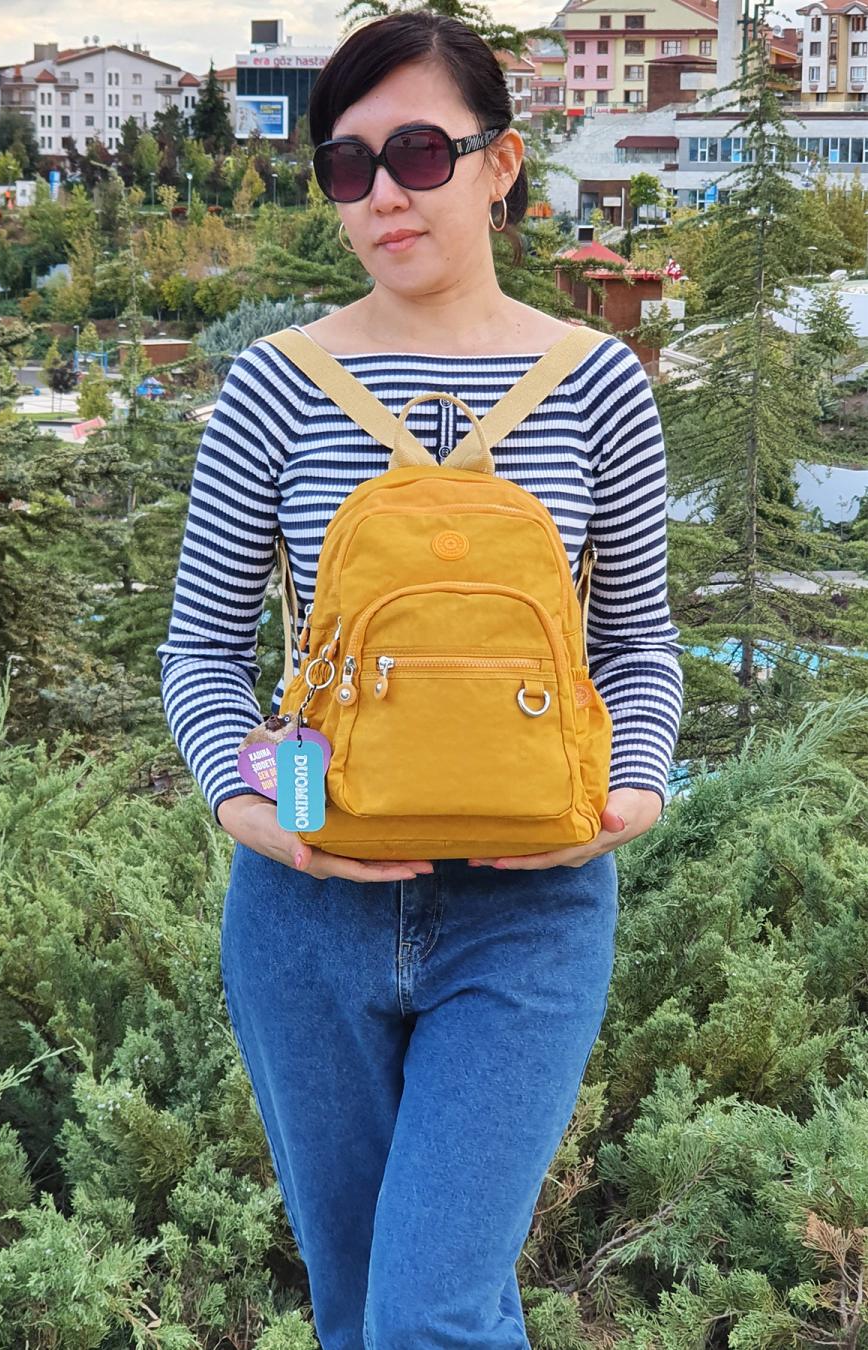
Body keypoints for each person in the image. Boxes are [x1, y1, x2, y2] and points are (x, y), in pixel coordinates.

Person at [156, 11, 684, 1347]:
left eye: (419, 153)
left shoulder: (598, 385)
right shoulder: (274, 387)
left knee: (428, 1313)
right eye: (347, 164)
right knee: (359, 1312)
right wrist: (268, 815)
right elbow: (207, 651)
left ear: (501, 163)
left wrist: (629, 793)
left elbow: (637, 643)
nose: (383, 192)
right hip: (306, 912)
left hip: (531, 910)